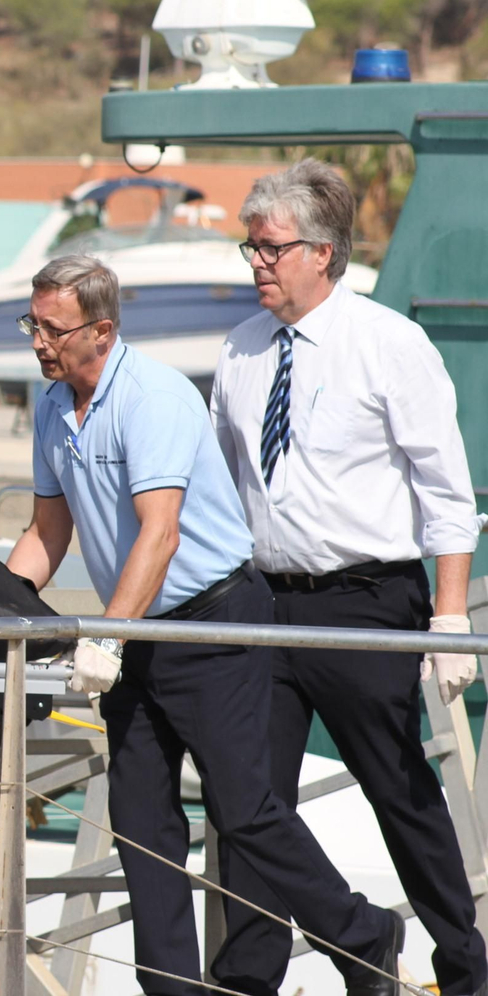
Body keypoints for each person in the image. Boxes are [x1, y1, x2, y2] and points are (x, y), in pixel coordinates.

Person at [3, 253, 404, 996]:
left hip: (209, 623)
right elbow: (46, 534)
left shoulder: (152, 397)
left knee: (244, 809)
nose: (38, 342)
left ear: (102, 331)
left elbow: (160, 534)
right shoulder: (53, 405)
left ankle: (362, 933)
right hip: (135, 631)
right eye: (33, 324)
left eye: (53, 329)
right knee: (140, 825)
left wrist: (105, 637)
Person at [208, 159, 488, 996]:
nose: (257, 263)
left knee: (395, 785)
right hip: (265, 604)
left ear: (321, 252)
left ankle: (464, 964)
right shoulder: (239, 349)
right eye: (251, 247)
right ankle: (256, 974)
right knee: (249, 797)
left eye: (271, 248)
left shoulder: (388, 343)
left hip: (366, 602)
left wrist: (448, 619)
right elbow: (223, 486)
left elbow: (447, 491)